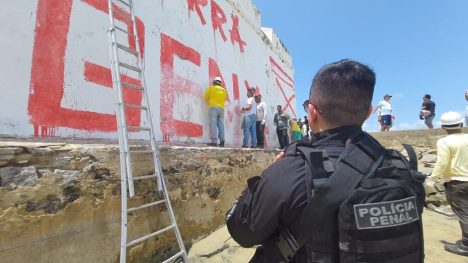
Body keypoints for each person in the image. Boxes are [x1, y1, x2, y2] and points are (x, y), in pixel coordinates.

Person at [226, 60, 424, 262]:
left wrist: (268, 176)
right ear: (368, 113)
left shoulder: (290, 170)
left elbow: (243, 232)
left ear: (311, 113)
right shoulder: (401, 167)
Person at [427, 111, 468, 256]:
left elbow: (442, 162)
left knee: (463, 213)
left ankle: (466, 246)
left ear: (443, 126)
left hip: (457, 182)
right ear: (461, 124)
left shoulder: (444, 142)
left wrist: (433, 179)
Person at [204, 77, 227, 147]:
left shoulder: (211, 88)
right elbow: (224, 99)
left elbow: (205, 97)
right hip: (221, 108)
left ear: (214, 82)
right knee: (221, 125)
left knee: (213, 124)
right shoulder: (224, 90)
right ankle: (222, 141)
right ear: (220, 83)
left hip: (213, 107)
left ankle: (214, 141)